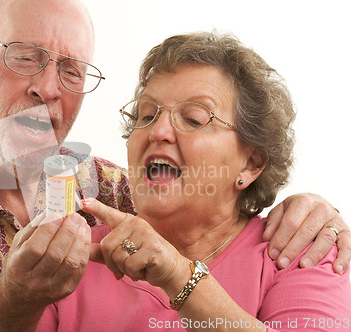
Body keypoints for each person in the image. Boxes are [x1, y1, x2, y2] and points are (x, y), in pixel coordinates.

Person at [0, 0, 347, 330]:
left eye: (70, 70)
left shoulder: (111, 193)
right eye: (26, 57)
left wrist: (314, 206)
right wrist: (17, 301)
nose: (47, 88)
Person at [36, 32, 351, 331]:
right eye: (146, 116)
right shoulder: (75, 255)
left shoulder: (297, 251)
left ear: (250, 164)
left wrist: (179, 275)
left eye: (194, 119)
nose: (157, 131)